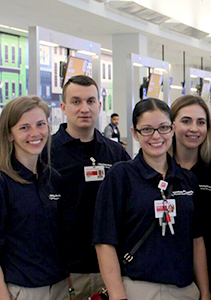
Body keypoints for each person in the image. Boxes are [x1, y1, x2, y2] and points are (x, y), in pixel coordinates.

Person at [92, 98, 210, 300]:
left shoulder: (186, 179)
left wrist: (205, 293)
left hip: (185, 290)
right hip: (138, 289)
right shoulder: (121, 176)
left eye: (163, 128)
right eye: (147, 129)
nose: (156, 136)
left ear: (172, 129)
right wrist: (117, 295)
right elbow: (104, 242)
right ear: (134, 133)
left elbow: (197, 240)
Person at [0, 96, 70, 300]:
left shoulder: (52, 179)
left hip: (58, 289)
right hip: (21, 291)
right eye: (24, 127)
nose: (35, 133)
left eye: (40, 124)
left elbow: (57, 242)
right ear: (10, 134)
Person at [48, 75, 131, 299]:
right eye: (76, 102)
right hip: (66, 274)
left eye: (91, 101)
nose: (84, 108)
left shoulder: (116, 153)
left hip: (113, 272)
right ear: (64, 107)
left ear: (99, 105)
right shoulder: (47, 154)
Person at [169, 95, 211, 297]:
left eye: (201, 122)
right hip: (168, 276)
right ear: (172, 125)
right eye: (186, 121)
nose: (194, 129)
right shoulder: (157, 169)